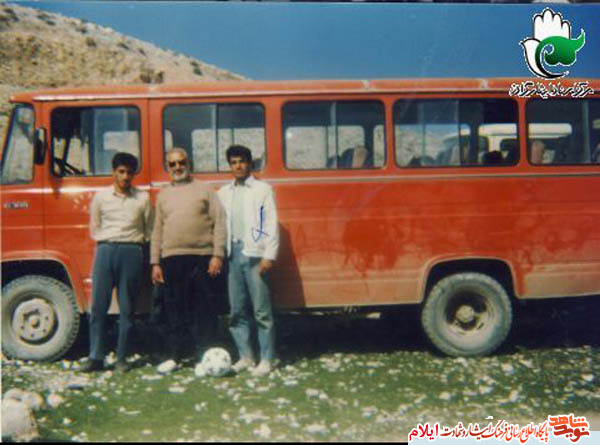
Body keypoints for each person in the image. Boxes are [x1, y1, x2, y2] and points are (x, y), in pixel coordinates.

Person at [150, 147, 226, 361]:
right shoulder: (163, 195)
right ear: (168, 167)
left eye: (181, 162)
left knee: (204, 310)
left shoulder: (205, 189)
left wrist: (217, 255)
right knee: (174, 310)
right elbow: (157, 230)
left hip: (202, 257)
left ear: (189, 163)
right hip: (172, 259)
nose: (178, 167)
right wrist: (155, 262)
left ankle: (206, 356)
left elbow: (220, 222)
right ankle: (174, 356)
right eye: (173, 164)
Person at [81, 152, 151, 373]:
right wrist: (107, 242)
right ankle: (96, 357)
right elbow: (95, 225)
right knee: (98, 306)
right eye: (121, 172)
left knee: (127, 308)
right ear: (114, 172)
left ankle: (122, 357)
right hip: (106, 250)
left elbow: (148, 229)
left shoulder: (142, 198)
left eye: (129, 172)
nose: (125, 177)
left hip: (132, 251)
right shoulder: (101, 197)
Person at [218, 145, 280, 377]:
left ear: (250, 164)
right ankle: (246, 356)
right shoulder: (224, 192)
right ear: (230, 166)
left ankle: (267, 359)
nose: (238, 166)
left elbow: (270, 222)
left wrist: (268, 256)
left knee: (262, 311)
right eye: (234, 162)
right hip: (232, 253)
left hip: (255, 254)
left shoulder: (262, 189)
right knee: (237, 311)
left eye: (242, 161)